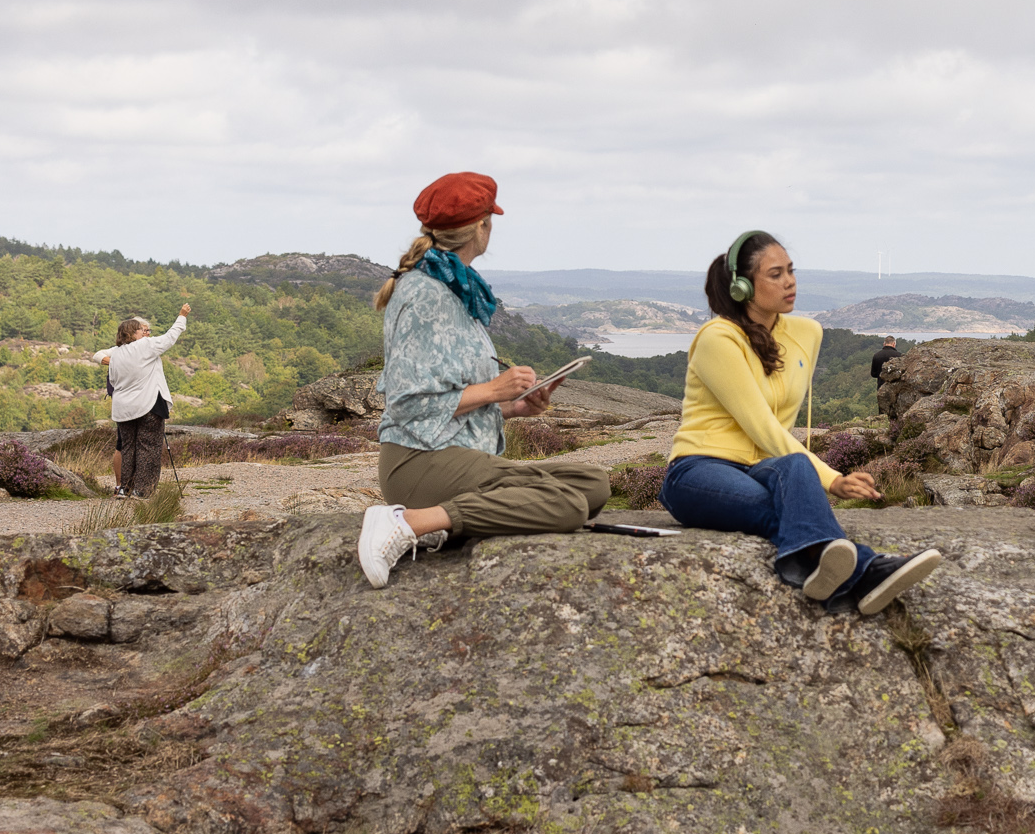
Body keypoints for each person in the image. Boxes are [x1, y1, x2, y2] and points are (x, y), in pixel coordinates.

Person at [355, 172, 635, 587]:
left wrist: (512, 406)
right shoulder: (424, 294)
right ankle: (410, 522)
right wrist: (494, 388)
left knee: (591, 484)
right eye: (490, 219)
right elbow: (406, 404)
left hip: (453, 453)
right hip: (418, 460)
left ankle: (448, 522)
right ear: (481, 226)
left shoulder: (454, 288)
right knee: (568, 506)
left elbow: (449, 397)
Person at [659, 231, 939, 618]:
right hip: (698, 470)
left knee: (795, 470)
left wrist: (809, 471)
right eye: (775, 274)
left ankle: (832, 580)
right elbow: (761, 425)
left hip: (763, 468)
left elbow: (782, 424)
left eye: (790, 270)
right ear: (742, 287)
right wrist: (832, 478)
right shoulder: (717, 339)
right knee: (789, 512)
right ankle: (869, 570)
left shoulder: (807, 333)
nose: (789, 281)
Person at [95, 303, 190, 496]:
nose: (145, 333)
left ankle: (125, 488)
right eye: (142, 330)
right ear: (133, 333)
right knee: (149, 448)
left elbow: (113, 380)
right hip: (148, 405)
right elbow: (170, 337)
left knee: (128, 448)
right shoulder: (145, 346)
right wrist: (181, 316)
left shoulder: (117, 355)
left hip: (123, 410)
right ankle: (143, 491)